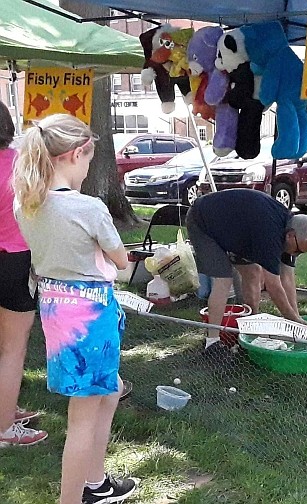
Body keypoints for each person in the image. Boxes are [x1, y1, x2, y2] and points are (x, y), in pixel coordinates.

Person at [13, 114, 137, 504]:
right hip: (88, 313)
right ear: (75, 154)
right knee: (81, 419)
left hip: (55, 308)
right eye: (88, 160)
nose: (88, 168)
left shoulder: (27, 206)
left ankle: (96, 482)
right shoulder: (88, 208)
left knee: (110, 390)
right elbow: (122, 260)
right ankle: (75, 497)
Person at [186, 188, 307, 347]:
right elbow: (273, 287)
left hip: (238, 229)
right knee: (224, 281)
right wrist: (294, 320)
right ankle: (212, 342)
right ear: (290, 235)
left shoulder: (290, 230)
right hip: (202, 220)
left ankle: (249, 330)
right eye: (297, 251)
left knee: (253, 272)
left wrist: (297, 323)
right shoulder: (271, 234)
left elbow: (287, 279)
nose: (296, 255)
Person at [0, 101, 48, 447]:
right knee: (13, 348)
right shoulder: (20, 165)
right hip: (14, 261)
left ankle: (5, 408)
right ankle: (4, 428)